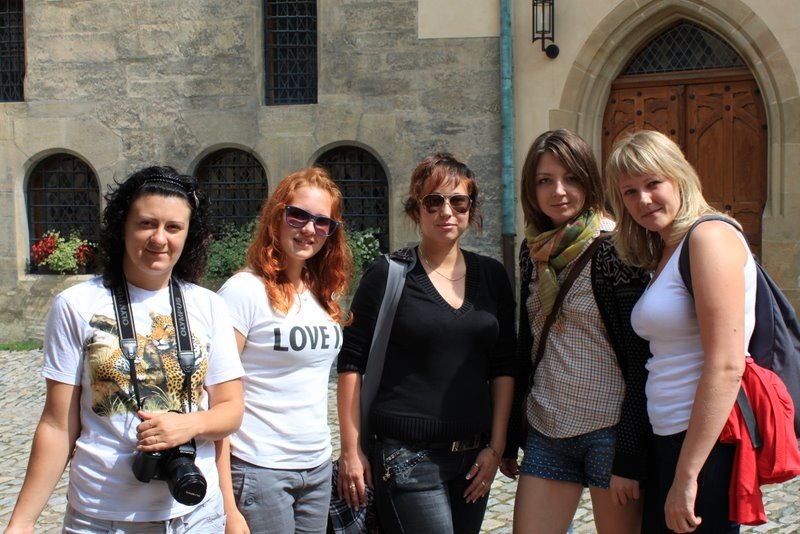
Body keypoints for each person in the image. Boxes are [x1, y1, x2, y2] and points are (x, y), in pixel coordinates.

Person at [5, 166, 245, 533]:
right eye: (146, 224)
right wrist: (22, 522)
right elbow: (57, 424)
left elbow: (231, 410)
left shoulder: (209, 305)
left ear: (189, 235)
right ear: (123, 226)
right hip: (101, 516)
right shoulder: (76, 304)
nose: (159, 238)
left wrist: (190, 425)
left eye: (173, 227)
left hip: (195, 516)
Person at [336, 153, 516, 534]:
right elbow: (351, 363)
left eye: (458, 202)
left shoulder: (492, 276)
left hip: (473, 458)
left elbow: (503, 365)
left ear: (470, 209)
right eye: (433, 201)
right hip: (407, 457)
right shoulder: (388, 274)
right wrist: (351, 450)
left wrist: (496, 447)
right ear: (416, 209)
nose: (446, 211)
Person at [605, 129, 757, 533]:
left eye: (653, 183)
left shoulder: (709, 237)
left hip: (704, 444)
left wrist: (688, 475)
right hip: (669, 436)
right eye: (629, 191)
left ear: (679, 177)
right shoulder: (667, 249)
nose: (643, 199)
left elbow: (727, 364)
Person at [503, 129, 652, 534]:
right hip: (548, 427)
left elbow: (640, 358)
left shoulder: (616, 247)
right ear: (531, 188)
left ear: (589, 180)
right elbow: (527, 342)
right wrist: (514, 433)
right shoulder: (533, 249)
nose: (559, 191)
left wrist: (631, 453)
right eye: (545, 180)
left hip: (609, 429)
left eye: (571, 178)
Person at [216, 167, 352, 534]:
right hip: (259, 467)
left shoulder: (322, 291)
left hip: (317, 466)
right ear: (277, 217)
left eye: (322, 222)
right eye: (298, 215)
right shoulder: (243, 291)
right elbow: (214, 394)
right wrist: (227, 506)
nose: (309, 229)